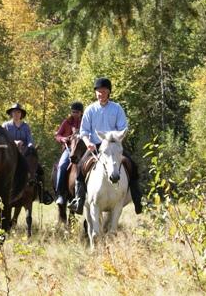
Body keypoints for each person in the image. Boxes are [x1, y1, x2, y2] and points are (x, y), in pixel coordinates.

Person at [68, 77, 143, 215]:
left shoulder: (117, 108)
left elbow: (123, 128)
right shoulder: (90, 109)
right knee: (79, 168)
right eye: (98, 91)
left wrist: (112, 139)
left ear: (109, 92)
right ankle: (79, 200)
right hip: (95, 146)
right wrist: (88, 143)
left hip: (113, 145)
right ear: (95, 93)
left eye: (104, 91)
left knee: (133, 165)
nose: (101, 94)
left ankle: (137, 200)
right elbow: (84, 132)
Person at [54, 101, 84, 206]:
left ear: (81, 113)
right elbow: (57, 135)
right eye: (73, 112)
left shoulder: (85, 122)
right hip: (69, 149)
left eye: (76, 112)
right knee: (62, 166)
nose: (74, 114)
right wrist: (63, 139)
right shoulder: (66, 122)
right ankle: (60, 194)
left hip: (83, 149)